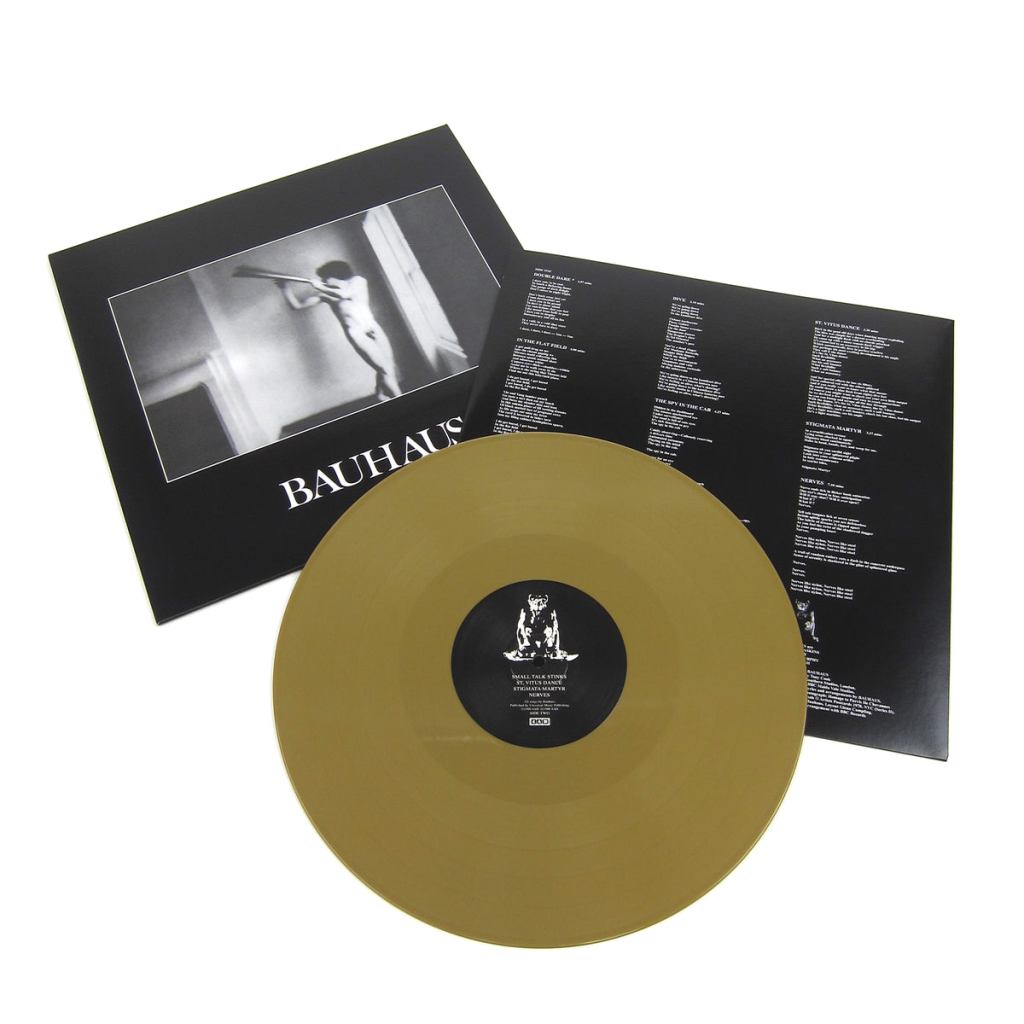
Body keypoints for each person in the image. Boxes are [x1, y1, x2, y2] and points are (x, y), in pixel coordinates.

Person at [277, 260, 402, 401]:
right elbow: (297, 306)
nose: (323, 281)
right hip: (356, 333)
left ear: (335, 275)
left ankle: (379, 393)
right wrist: (284, 288)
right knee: (385, 369)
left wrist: (320, 286)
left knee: (390, 367)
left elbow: (344, 294)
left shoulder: (358, 281)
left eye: (325, 278)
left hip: (374, 328)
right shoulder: (325, 295)